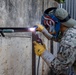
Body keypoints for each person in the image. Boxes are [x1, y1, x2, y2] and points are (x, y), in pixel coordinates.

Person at [33, 7, 76, 75]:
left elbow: (59, 68)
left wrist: (43, 52)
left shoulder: (69, 40)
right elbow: (60, 38)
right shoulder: (72, 29)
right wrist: (44, 31)